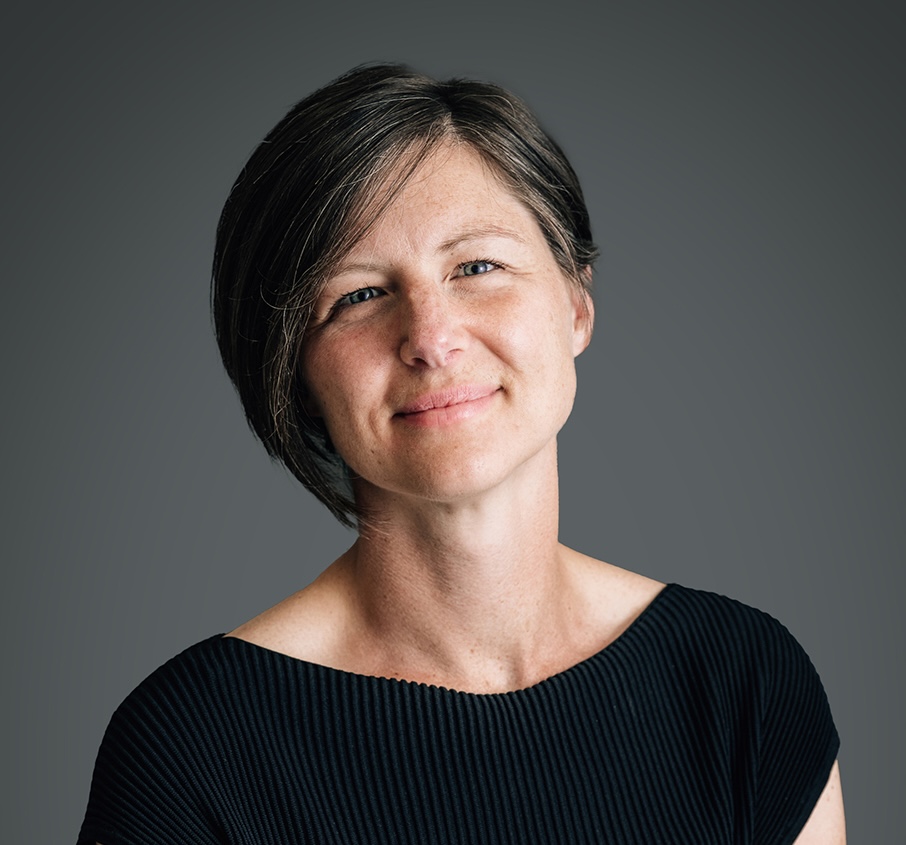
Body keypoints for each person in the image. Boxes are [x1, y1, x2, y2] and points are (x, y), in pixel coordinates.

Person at [77, 63, 845, 844]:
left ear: (577, 303)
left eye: (477, 267)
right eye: (358, 295)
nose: (431, 339)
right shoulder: (188, 750)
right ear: (297, 371)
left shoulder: (742, 683)